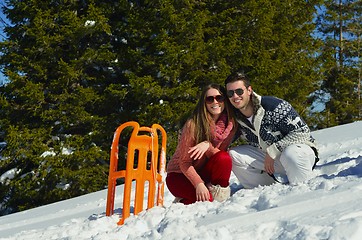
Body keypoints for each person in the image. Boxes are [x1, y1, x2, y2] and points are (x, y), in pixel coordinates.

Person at [224, 72, 318, 189]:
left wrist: (273, 150)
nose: (235, 96)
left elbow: (302, 132)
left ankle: (302, 189)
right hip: (270, 160)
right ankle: (263, 189)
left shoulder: (273, 106)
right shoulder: (234, 118)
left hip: (298, 153)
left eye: (239, 91)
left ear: (249, 90)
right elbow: (223, 141)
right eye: (230, 93)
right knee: (232, 155)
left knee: (290, 154)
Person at [166, 83, 237, 204]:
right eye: (210, 99)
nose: (215, 102)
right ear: (204, 103)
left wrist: (208, 146)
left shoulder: (230, 126)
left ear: (225, 100)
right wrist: (199, 184)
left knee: (224, 158)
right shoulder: (193, 125)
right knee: (206, 201)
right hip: (179, 174)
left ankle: (219, 198)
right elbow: (184, 163)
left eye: (219, 98)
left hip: (203, 170)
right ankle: (182, 200)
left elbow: (218, 157)